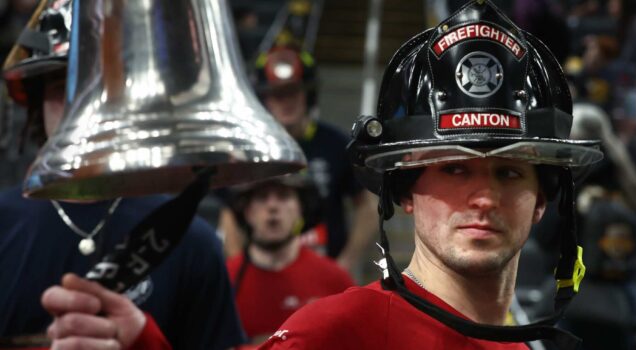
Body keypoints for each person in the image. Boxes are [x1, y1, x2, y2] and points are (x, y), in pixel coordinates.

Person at [39, 1, 604, 349]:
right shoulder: (336, 332)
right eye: (454, 168)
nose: (483, 195)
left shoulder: (527, 345)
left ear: (542, 199)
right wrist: (138, 343)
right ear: (402, 190)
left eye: (509, 172)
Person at [0, 1, 245, 349]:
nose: (80, 106)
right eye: (61, 87)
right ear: (37, 103)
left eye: (96, 85)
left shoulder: (190, 239)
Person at [219, 46, 376, 271]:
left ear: (308, 94)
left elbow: (367, 209)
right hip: (266, 273)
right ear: (265, 100)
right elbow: (229, 214)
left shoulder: (337, 144)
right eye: (277, 94)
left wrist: (346, 261)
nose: (286, 101)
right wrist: (241, 271)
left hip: (324, 276)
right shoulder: (247, 151)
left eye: (293, 91)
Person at [227, 174, 354, 346]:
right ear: (247, 212)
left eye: (283, 196)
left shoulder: (334, 280)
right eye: (262, 197)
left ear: (300, 209)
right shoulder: (225, 279)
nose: (272, 206)